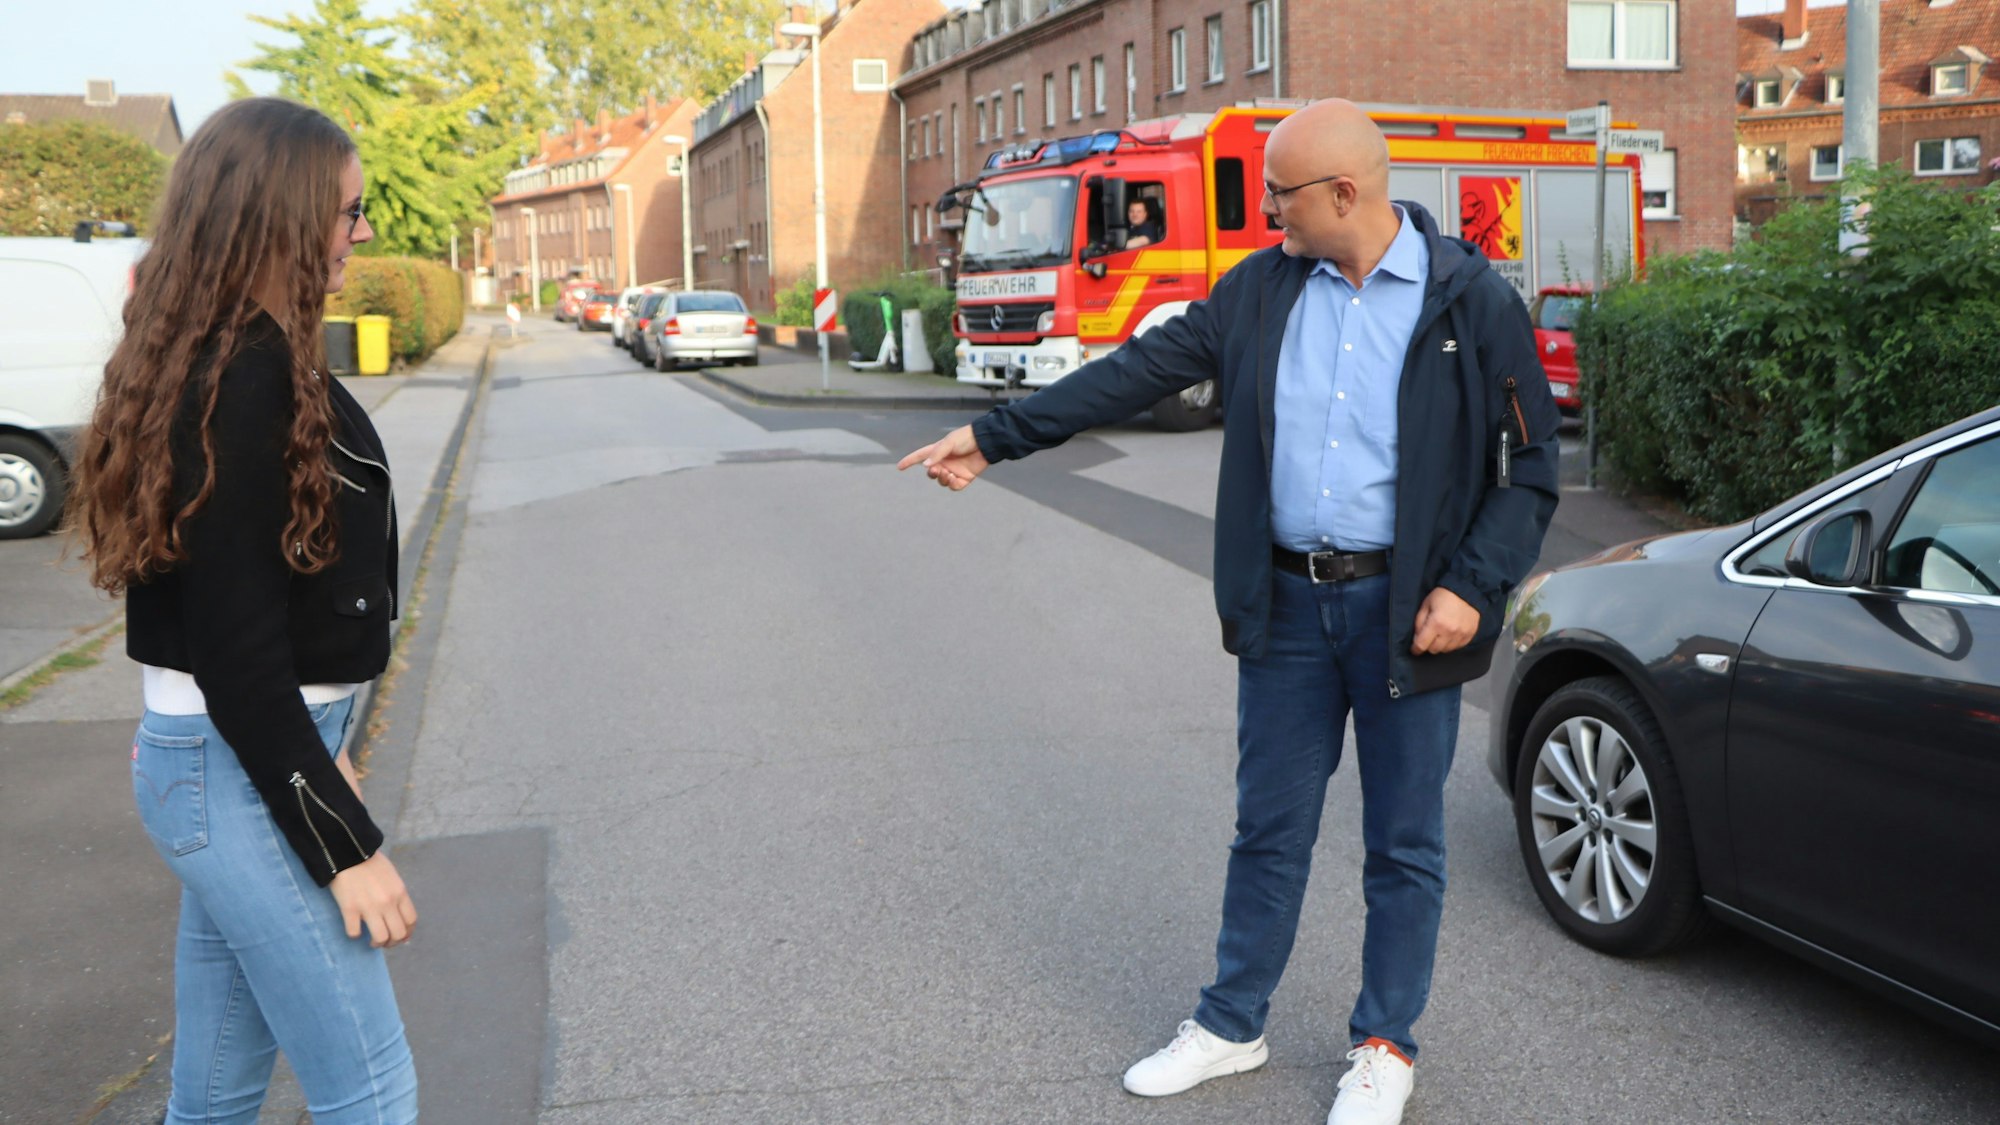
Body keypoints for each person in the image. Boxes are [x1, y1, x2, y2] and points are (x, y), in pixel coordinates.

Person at [898, 99, 1559, 1125]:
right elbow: (1133, 370)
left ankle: (1384, 1045)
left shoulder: (1470, 301)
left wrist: (1470, 587)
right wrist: (994, 439)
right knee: (1268, 830)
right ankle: (1229, 1024)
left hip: (1410, 614)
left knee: (1402, 845)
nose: (1264, 213)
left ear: (1344, 193)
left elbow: (1528, 472)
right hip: (1286, 608)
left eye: (1279, 193)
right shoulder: (1257, 292)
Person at [68, 97, 418, 1123]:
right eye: (347, 212)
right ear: (279, 217)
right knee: (371, 1089)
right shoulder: (235, 381)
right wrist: (342, 844)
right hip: (239, 770)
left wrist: (335, 737)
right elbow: (236, 655)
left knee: (215, 1094)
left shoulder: (244, 354)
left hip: (251, 758)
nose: (360, 232)